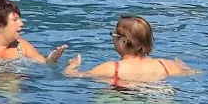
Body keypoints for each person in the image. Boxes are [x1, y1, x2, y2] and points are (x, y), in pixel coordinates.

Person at [64, 16, 197, 86]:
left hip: (125, 99)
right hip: (158, 94)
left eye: (114, 35)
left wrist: (72, 66)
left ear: (123, 41)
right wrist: (184, 68)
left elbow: (74, 76)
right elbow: (194, 73)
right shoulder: (166, 65)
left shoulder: (111, 68)